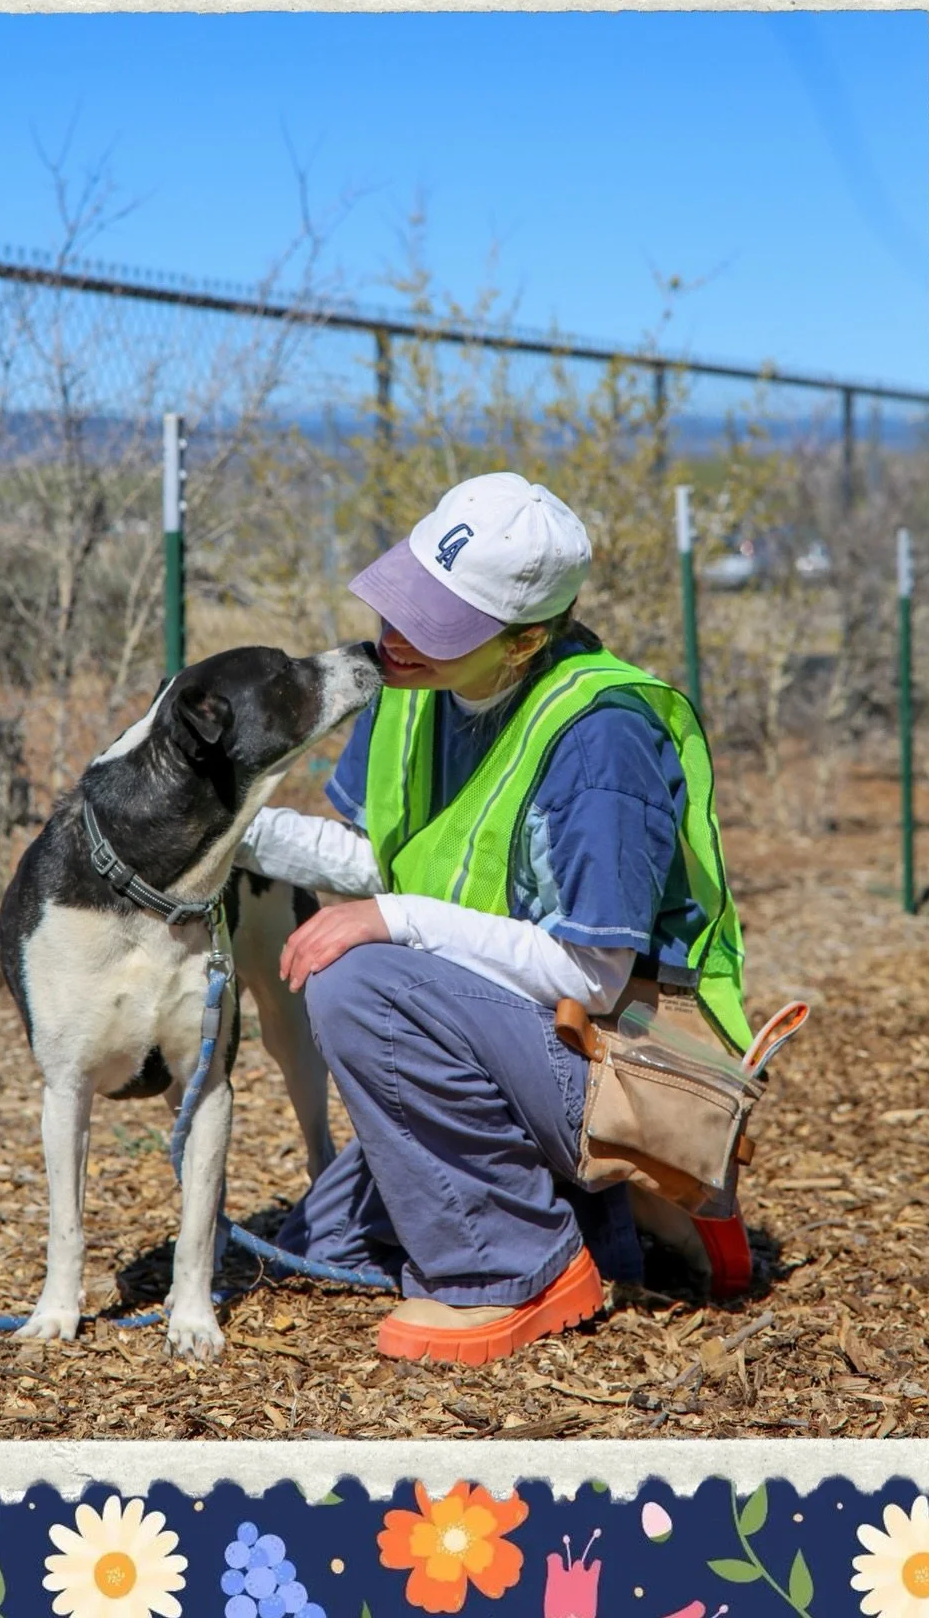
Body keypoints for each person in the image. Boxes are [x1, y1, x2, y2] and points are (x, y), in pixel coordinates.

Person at [235, 471, 749, 1364]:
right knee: (326, 1248)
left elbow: (595, 976)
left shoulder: (602, 739)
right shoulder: (413, 685)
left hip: (631, 1053)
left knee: (359, 982)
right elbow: (391, 862)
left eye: (436, 621)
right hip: (509, 1028)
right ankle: (604, 1219)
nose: (395, 635)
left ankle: (517, 1270)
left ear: (525, 640)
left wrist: (394, 921)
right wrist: (226, 830)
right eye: (403, 597)